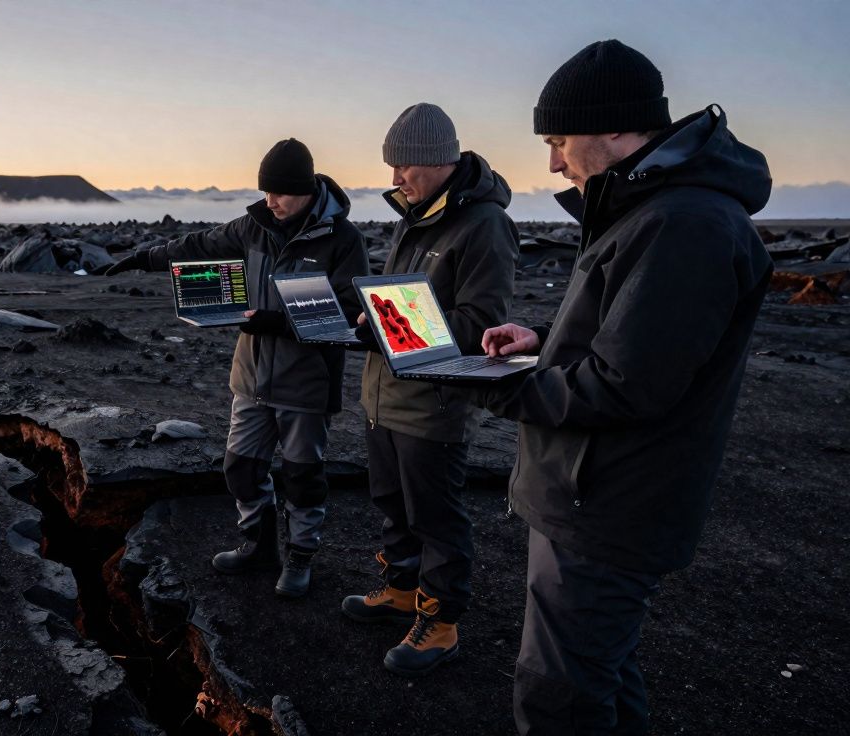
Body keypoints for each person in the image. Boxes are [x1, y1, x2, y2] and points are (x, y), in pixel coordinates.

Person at [479, 40, 774, 734]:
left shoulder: (686, 223)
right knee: (598, 678)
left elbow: (627, 385)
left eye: (558, 140)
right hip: (594, 495)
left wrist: (496, 387)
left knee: (559, 698)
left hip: (609, 503)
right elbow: (625, 330)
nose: (552, 161)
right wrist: (542, 342)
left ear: (614, 127)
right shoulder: (647, 209)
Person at [106, 138, 369, 597]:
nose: (272, 201)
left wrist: (277, 321)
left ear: (307, 189)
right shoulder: (253, 227)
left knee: (303, 477)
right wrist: (144, 258)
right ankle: (258, 546)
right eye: (266, 191)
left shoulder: (342, 240)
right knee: (240, 469)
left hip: (306, 382)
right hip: (250, 378)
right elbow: (199, 245)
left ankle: (300, 558)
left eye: (281, 192)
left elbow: (348, 311)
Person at [338, 103, 519, 677]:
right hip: (385, 394)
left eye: (403, 168)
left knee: (435, 514)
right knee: (392, 503)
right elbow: (403, 302)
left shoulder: (484, 225)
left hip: (434, 404)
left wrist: (391, 320)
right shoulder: (414, 217)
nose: (394, 180)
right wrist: (373, 315)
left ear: (437, 160)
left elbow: (482, 324)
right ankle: (400, 589)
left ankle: (439, 621)